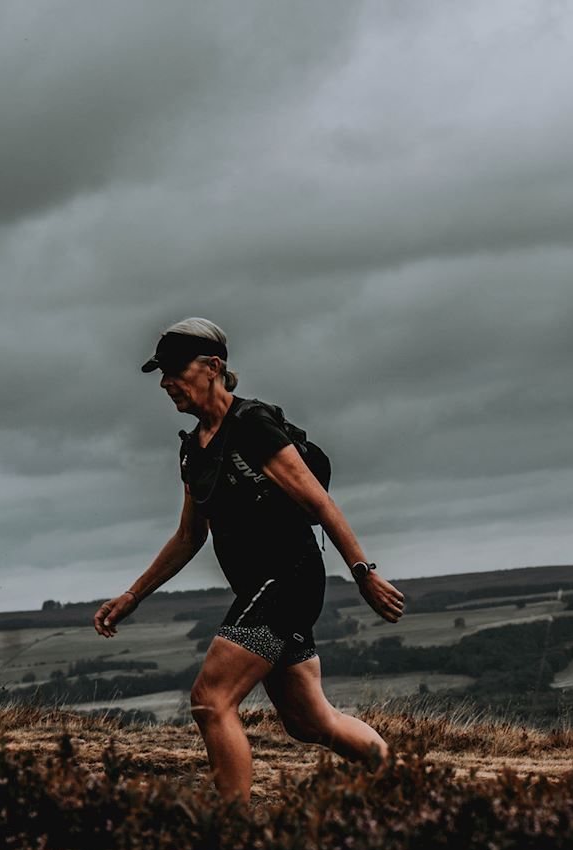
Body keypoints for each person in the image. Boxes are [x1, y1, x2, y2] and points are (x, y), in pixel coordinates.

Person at [93, 318, 407, 801]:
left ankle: (233, 835)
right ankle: (401, 782)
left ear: (213, 367)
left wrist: (364, 573)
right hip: (260, 589)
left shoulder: (252, 426)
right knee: (309, 721)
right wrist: (134, 594)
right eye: (161, 371)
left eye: (175, 369)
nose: (165, 382)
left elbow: (320, 503)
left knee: (211, 700)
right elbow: (188, 536)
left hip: (288, 578)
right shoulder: (193, 450)